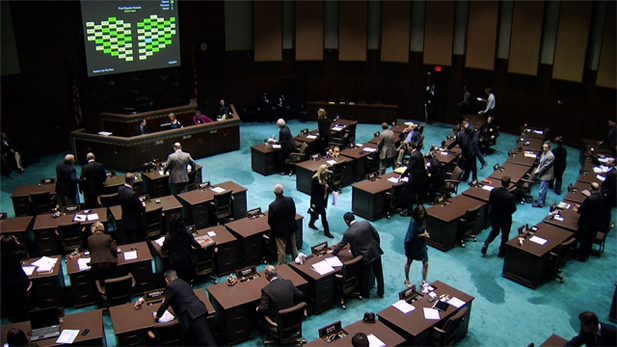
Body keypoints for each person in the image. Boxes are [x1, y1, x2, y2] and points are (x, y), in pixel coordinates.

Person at [155, 270, 216, 347]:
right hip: (198, 309)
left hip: (191, 314)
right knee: (203, 338)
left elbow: (165, 304)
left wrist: (158, 315)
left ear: (167, 280)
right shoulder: (183, 282)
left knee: (206, 341)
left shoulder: (171, 287)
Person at [331, 212, 384, 298]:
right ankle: (381, 291)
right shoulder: (365, 223)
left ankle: (365, 294)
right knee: (379, 273)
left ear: (347, 221)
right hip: (375, 250)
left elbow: (341, 245)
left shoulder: (348, 233)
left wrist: (334, 251)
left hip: (364, 256)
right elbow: (376, 235)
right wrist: (376, 246)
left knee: (365, 275)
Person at [162, 214, 208, 283]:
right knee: (187, 280)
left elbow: (164, 248)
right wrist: (200, 245)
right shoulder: (187, 232)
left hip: (175, 262)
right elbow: (194, 244)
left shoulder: (169, 235)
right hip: (187, 260)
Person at [481, 176, 517, 257]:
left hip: (494, 215)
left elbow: (491, 202)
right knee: (505, 235)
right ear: (508, 184)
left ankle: (486, 243)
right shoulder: (510, 196)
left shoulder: (494, 191)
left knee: (494, 231)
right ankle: (501, 253)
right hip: (505, 219)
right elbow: (513, 209)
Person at [1, 235, 30, 323]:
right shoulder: (16, 254)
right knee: (22, 304)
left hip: (6, 288)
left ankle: (15, 318)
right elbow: (25, 250)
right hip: (20, 285)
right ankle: (25, 319)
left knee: (12, 305)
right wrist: (18, 243)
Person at [268, 184, 298, 265]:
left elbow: (271, 221)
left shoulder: (273, 206)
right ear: (283, 192)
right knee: (293, 246)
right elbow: (293, 213)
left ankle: (282, 265)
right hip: (291, 226)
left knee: (281, 250)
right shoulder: (290, 200)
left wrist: (274, 230)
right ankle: (296, 260)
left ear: (274, 193)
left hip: (280, 231)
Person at [574, 182, 604, 262]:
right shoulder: (601, 196)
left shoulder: (590, 199)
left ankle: (581, 257)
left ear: (591, 188)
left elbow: (583, 209)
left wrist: (579, 209)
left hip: (587, 223)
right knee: (589, 240)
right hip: (596, 222)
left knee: (585, 240)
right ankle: (586, 254)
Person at [404, 205, 430, 288]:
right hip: (412, 244)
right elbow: (413, 235)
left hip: (421, 244)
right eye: (420, 214)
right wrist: (424, 234)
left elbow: (425, 227)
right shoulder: (413, 221)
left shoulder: (423, 219)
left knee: (426, 263)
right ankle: (407, 278)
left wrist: (425, 232)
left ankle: (424, 281)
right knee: (409, 262)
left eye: (423, 214)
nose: (421, 216)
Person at [400, 142, 428, 216]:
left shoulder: (413, 156)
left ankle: (409, 211)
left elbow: (410, 167)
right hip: (422, 178)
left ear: (411, 147)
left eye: (408, 146)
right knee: (420, 195)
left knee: (410, 195)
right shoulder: (419, 153)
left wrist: (402, 175)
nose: (407, 148)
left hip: (415, 179)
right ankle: (420, 210)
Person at [118, 172, 147, 244]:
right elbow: (140, 209)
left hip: (125, 219)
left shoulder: (120, 189)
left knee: (127, 239)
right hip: (135, 221)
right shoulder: (133, 194)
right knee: (143, 237)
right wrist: (143, 205)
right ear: (131, 180)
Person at [309, 164, 334, 238]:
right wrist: (313, 203)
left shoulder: (325, 178)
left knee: (315, 214)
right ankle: (327, 232)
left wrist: (333, 191)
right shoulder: (315, 179)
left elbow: (329, 186)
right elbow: (313, 192)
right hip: (317, 201)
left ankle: (311, 223)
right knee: (323, 215)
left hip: (323, 200)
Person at [533, 142, 555, 208]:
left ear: (549, 148)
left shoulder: (551, 156)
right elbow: (541, 162)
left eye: (546, 148)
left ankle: (540, 204)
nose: (544, 149)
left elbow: (546, 166)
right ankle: (541, 200)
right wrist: (538, 168)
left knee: (542, 190)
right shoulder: (544, 153)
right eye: (543, 147)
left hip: (547, 175)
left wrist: (539, 171)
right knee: (542, 189)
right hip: (543, 173)